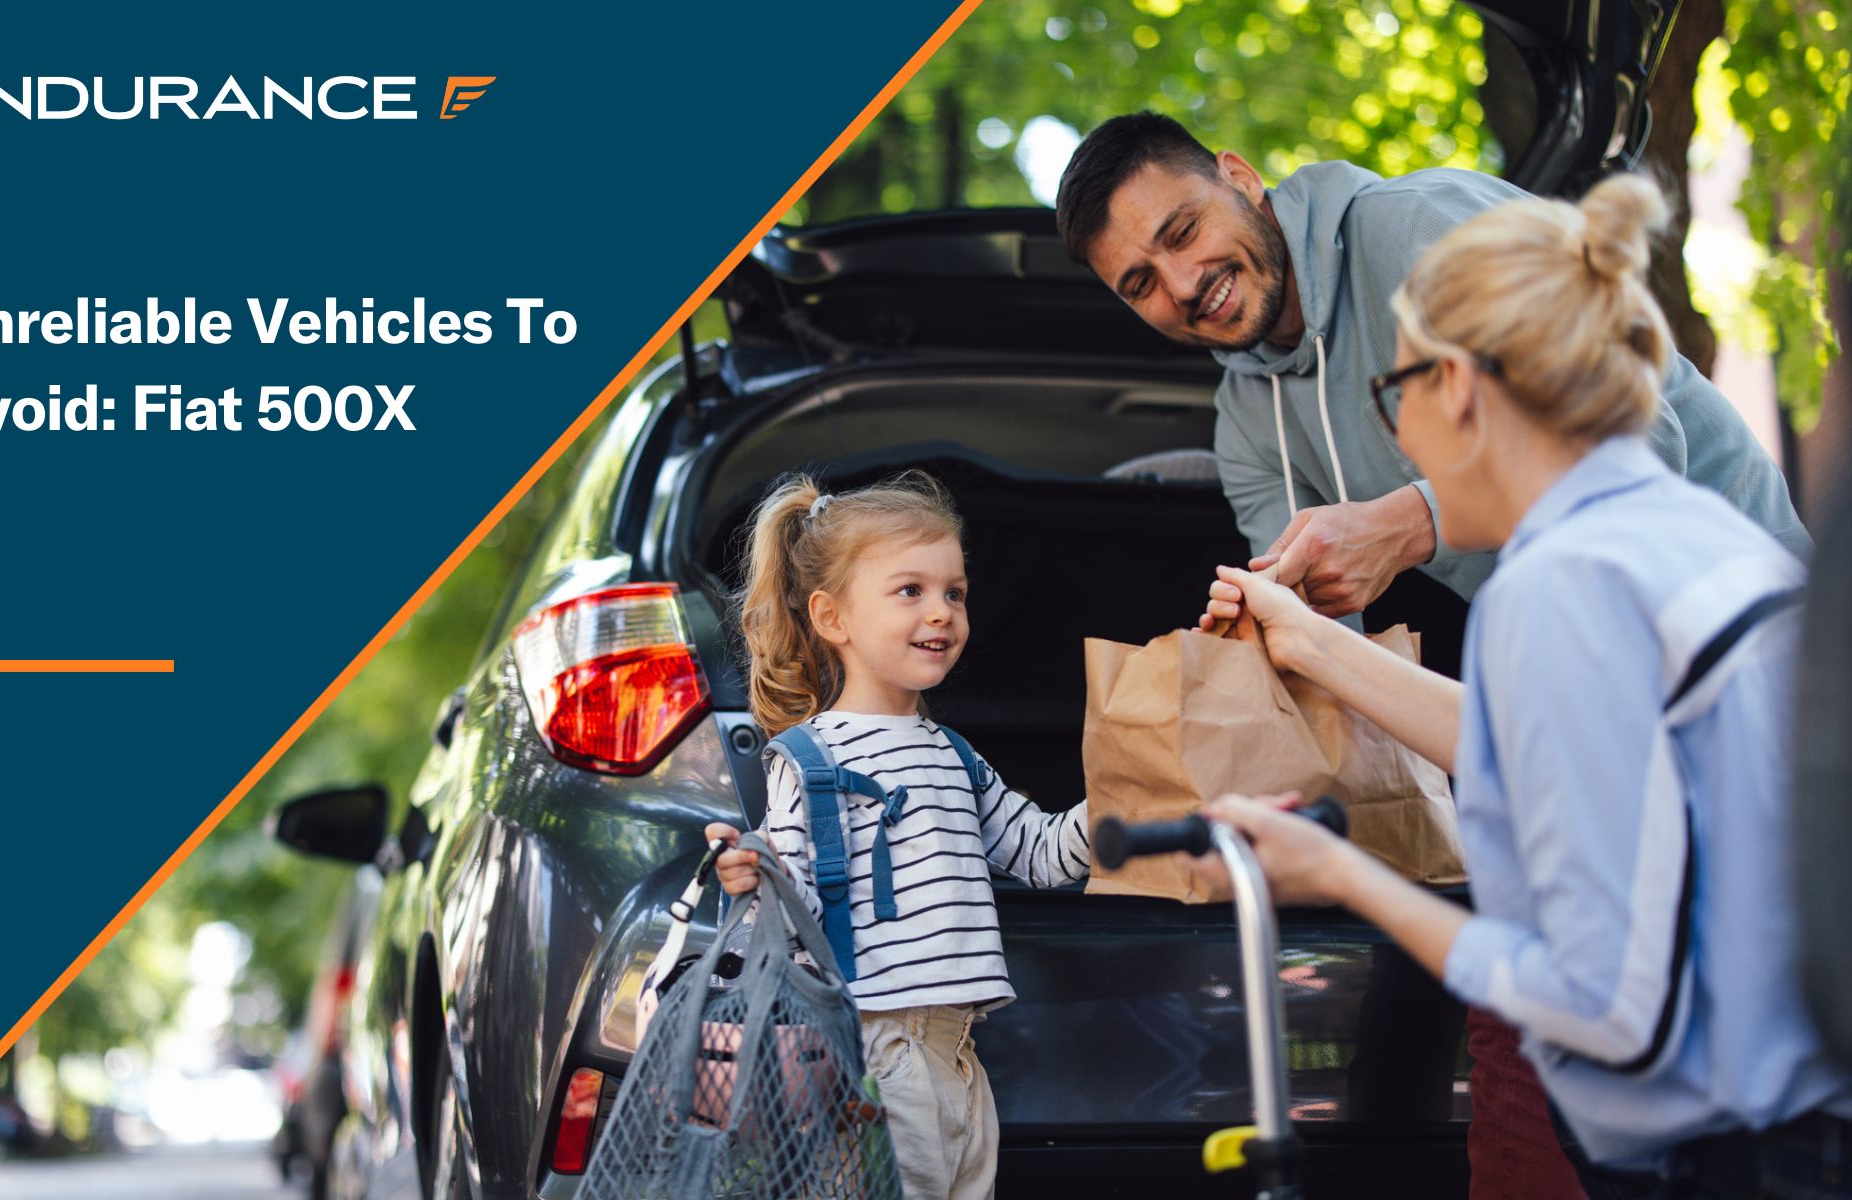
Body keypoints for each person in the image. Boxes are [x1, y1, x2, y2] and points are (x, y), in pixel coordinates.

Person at [1194, 172, 1852, 1197]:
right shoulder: (1704, 537)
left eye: (1393, 395)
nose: (1398, 439)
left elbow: (1603, 1011)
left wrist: (1341, 877)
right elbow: (1523, 741)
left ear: (1454, 388)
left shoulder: (1552, 586)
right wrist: (1309, 641)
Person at [1055, 112, 1809, 621]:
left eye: (1183, 231)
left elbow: (1633, 436)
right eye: (1141, 284)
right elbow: (1324, 640)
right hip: (1597, 671)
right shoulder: (1248, 426)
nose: (1183, 284)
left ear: (1240, 178)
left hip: (1750, 620)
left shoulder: (1427, 228)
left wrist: (1410, 523)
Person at [703, 472, 1090, 1200]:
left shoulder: (953, 753)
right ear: (833, 618)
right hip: (879, 1053)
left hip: (958, 1054)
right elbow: (789, 931)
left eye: (955, 592)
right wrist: (754, 876)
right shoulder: (813, 759)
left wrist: (1122, 800)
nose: (941, 612)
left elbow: (1041, 855)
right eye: (909, 591)